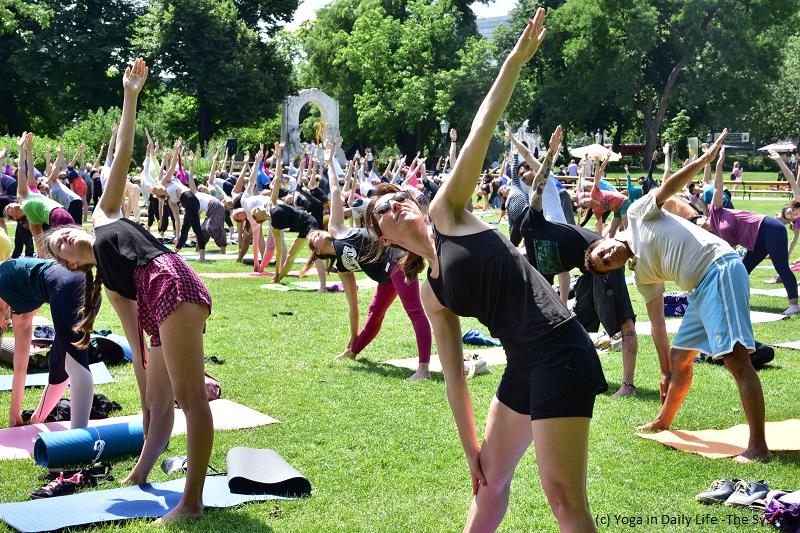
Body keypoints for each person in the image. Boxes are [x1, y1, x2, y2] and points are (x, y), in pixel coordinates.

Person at [365, 13, 607, 530]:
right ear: (383, 238)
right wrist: (469, 444)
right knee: (489, 476)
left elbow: (482, 127)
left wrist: (514, 62)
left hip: (559, 348)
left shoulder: (447, 213)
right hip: (523, 360)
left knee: (563, 498)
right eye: (383, 210)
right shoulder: (429, 290)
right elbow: (454, 375)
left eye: (399, 197)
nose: (397, 205)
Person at [45, 58, 213, 523]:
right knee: (158, 402)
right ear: (73, 265)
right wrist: (144, 392)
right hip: (157, 305)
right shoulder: (116, 291)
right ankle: (141, 471)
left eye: (60, 234)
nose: (62, 239)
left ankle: (192, 501)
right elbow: (138, 347)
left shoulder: (104, 215)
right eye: (58, 248)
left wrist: (130, 94)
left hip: (172, 280)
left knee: (190, 397)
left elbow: (121, 150)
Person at [585, 129, 771, 463]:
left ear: (604, 241)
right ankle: (663, 420)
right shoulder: (641, 276)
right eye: (605, 264)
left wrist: (702, 162)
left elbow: (667, 189)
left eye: (602, 253)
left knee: (736, 360)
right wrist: (662, 370)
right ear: (611, 270)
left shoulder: (637, 214)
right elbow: (657, 325)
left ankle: (758, 446)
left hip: (720, 268)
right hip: (701, 287)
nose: (608, 256)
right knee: (679, 357)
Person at [521, 126, 638, 397]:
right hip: (586, 270)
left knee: (622, 321)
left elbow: (539, 186)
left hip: (601, 254)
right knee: (578, 322)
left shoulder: (532, 223)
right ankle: (576, 373)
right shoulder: (536, 267)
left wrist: (550, 154)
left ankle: (628, 385)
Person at [306, 144, 432, 381]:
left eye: (314, 233)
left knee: (414, 311)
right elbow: (353, 306)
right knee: (374, 313)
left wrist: (330, 161)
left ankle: (423, 368)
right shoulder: (342, 267)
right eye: (312, 240)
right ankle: (353, 352)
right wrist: (351, 338)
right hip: (385, 275)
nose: (315, 234)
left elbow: (334, 191)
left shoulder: (337, 229)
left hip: (397, 259)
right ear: (319, 252)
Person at [689, 148, 798, 315]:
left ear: (702, 218)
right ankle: (734, 301)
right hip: (755, 242)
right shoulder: (716, 236)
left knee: (781, 266)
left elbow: (718, 187)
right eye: (698, 226)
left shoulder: (715, 210)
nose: (701, 224)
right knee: (742, 269)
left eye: (699, 221)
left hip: (768, 228)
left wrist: (719, 162)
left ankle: (794, 305)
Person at [0, 258, 95, 429]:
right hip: (86, 283)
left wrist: (14, 415)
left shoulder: (8, 286)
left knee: (75, 364)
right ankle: (38, 418)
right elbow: (20, 366)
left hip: (72, 285)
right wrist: (14, 415)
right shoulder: (20, 305)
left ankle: (80, 436)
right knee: (61, 362)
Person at [4, 133, 76, 257]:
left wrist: (27, 149)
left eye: (8, 206)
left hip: (62, 213)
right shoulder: (32, 217)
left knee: (71, 250)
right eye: (8, 210)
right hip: (58, 216)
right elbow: (39, 241)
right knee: (69, 252)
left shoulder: (25, 194)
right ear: (15, 218)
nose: (9, 206)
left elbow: (26, 169)